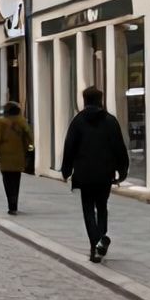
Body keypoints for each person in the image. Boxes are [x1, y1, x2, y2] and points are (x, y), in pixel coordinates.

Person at [59, 88, 128, 257]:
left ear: (84, 100)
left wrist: (66, 170)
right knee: (102, 206)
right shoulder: (111, 121)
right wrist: (122, 170)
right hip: (105, 173)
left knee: (88, 208)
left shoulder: (78, 121)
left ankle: (94, 244)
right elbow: (119, 147)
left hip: (84, 174)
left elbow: (69, 147)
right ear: (100, 100)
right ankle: (101, 238)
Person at [0, 101, 36, 216]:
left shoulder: (0, 122)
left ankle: (11, 204)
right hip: (19, 156)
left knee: (7, 180)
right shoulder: (22, 122)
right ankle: (14, 203)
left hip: (5, 156)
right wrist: (28, 151)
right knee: (16, 180)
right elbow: (30, 140)